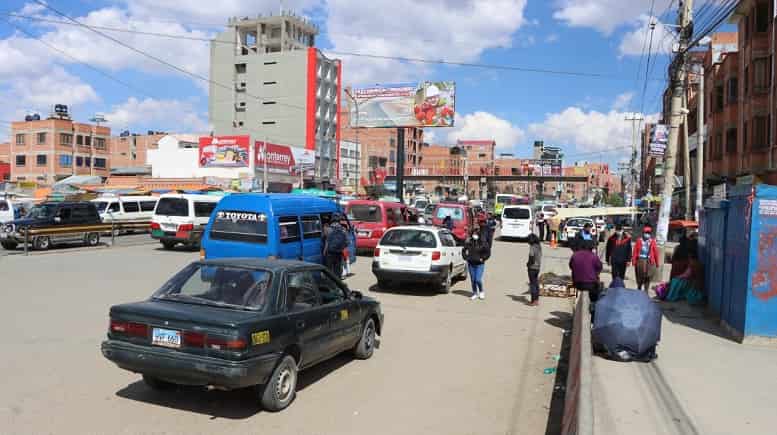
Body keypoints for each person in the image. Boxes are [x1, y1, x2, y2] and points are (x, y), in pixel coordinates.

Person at [569, 239, 603, 305]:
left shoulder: (575, 255)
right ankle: (593, 307)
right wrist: (596, 273)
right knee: (596, 293)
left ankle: (575, 305)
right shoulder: (594, 256)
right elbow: (599, 267)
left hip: (577, 283)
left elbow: (571, 266)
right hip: (591, 284)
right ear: (591, 248)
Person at [462, 228, 491, 300]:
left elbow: (488, 253)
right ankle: (474, 293)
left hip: (479, 264)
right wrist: (466, 257)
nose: (475, 235)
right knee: (473, 280)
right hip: (471, 263)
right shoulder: (469, 242)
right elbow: (464, 250)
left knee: (478, 279)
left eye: (476, 234)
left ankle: (481, 291)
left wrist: (483, 258)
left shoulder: (483, 243)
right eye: (473, 234)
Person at [632, 226, 659, 292]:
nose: (647, 234)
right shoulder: (639, 240)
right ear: (643, 233)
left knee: (648, 276)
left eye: (648, 233)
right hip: (640, 260)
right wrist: (634, 261)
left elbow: (656, 253)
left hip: (649, 261)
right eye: (646, 232)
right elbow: (635, 251)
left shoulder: (652, 241)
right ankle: (639, 288)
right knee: (640, 276)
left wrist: (657, 263)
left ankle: (646, 290)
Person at [527, 233, 542, 306]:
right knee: (536, 283)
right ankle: (536, 299)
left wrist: (528, 264)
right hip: (538, 267)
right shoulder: (539, 246)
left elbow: (531, 257)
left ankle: (533, 300)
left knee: (532, 284)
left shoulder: (532, 247)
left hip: (532, 267)